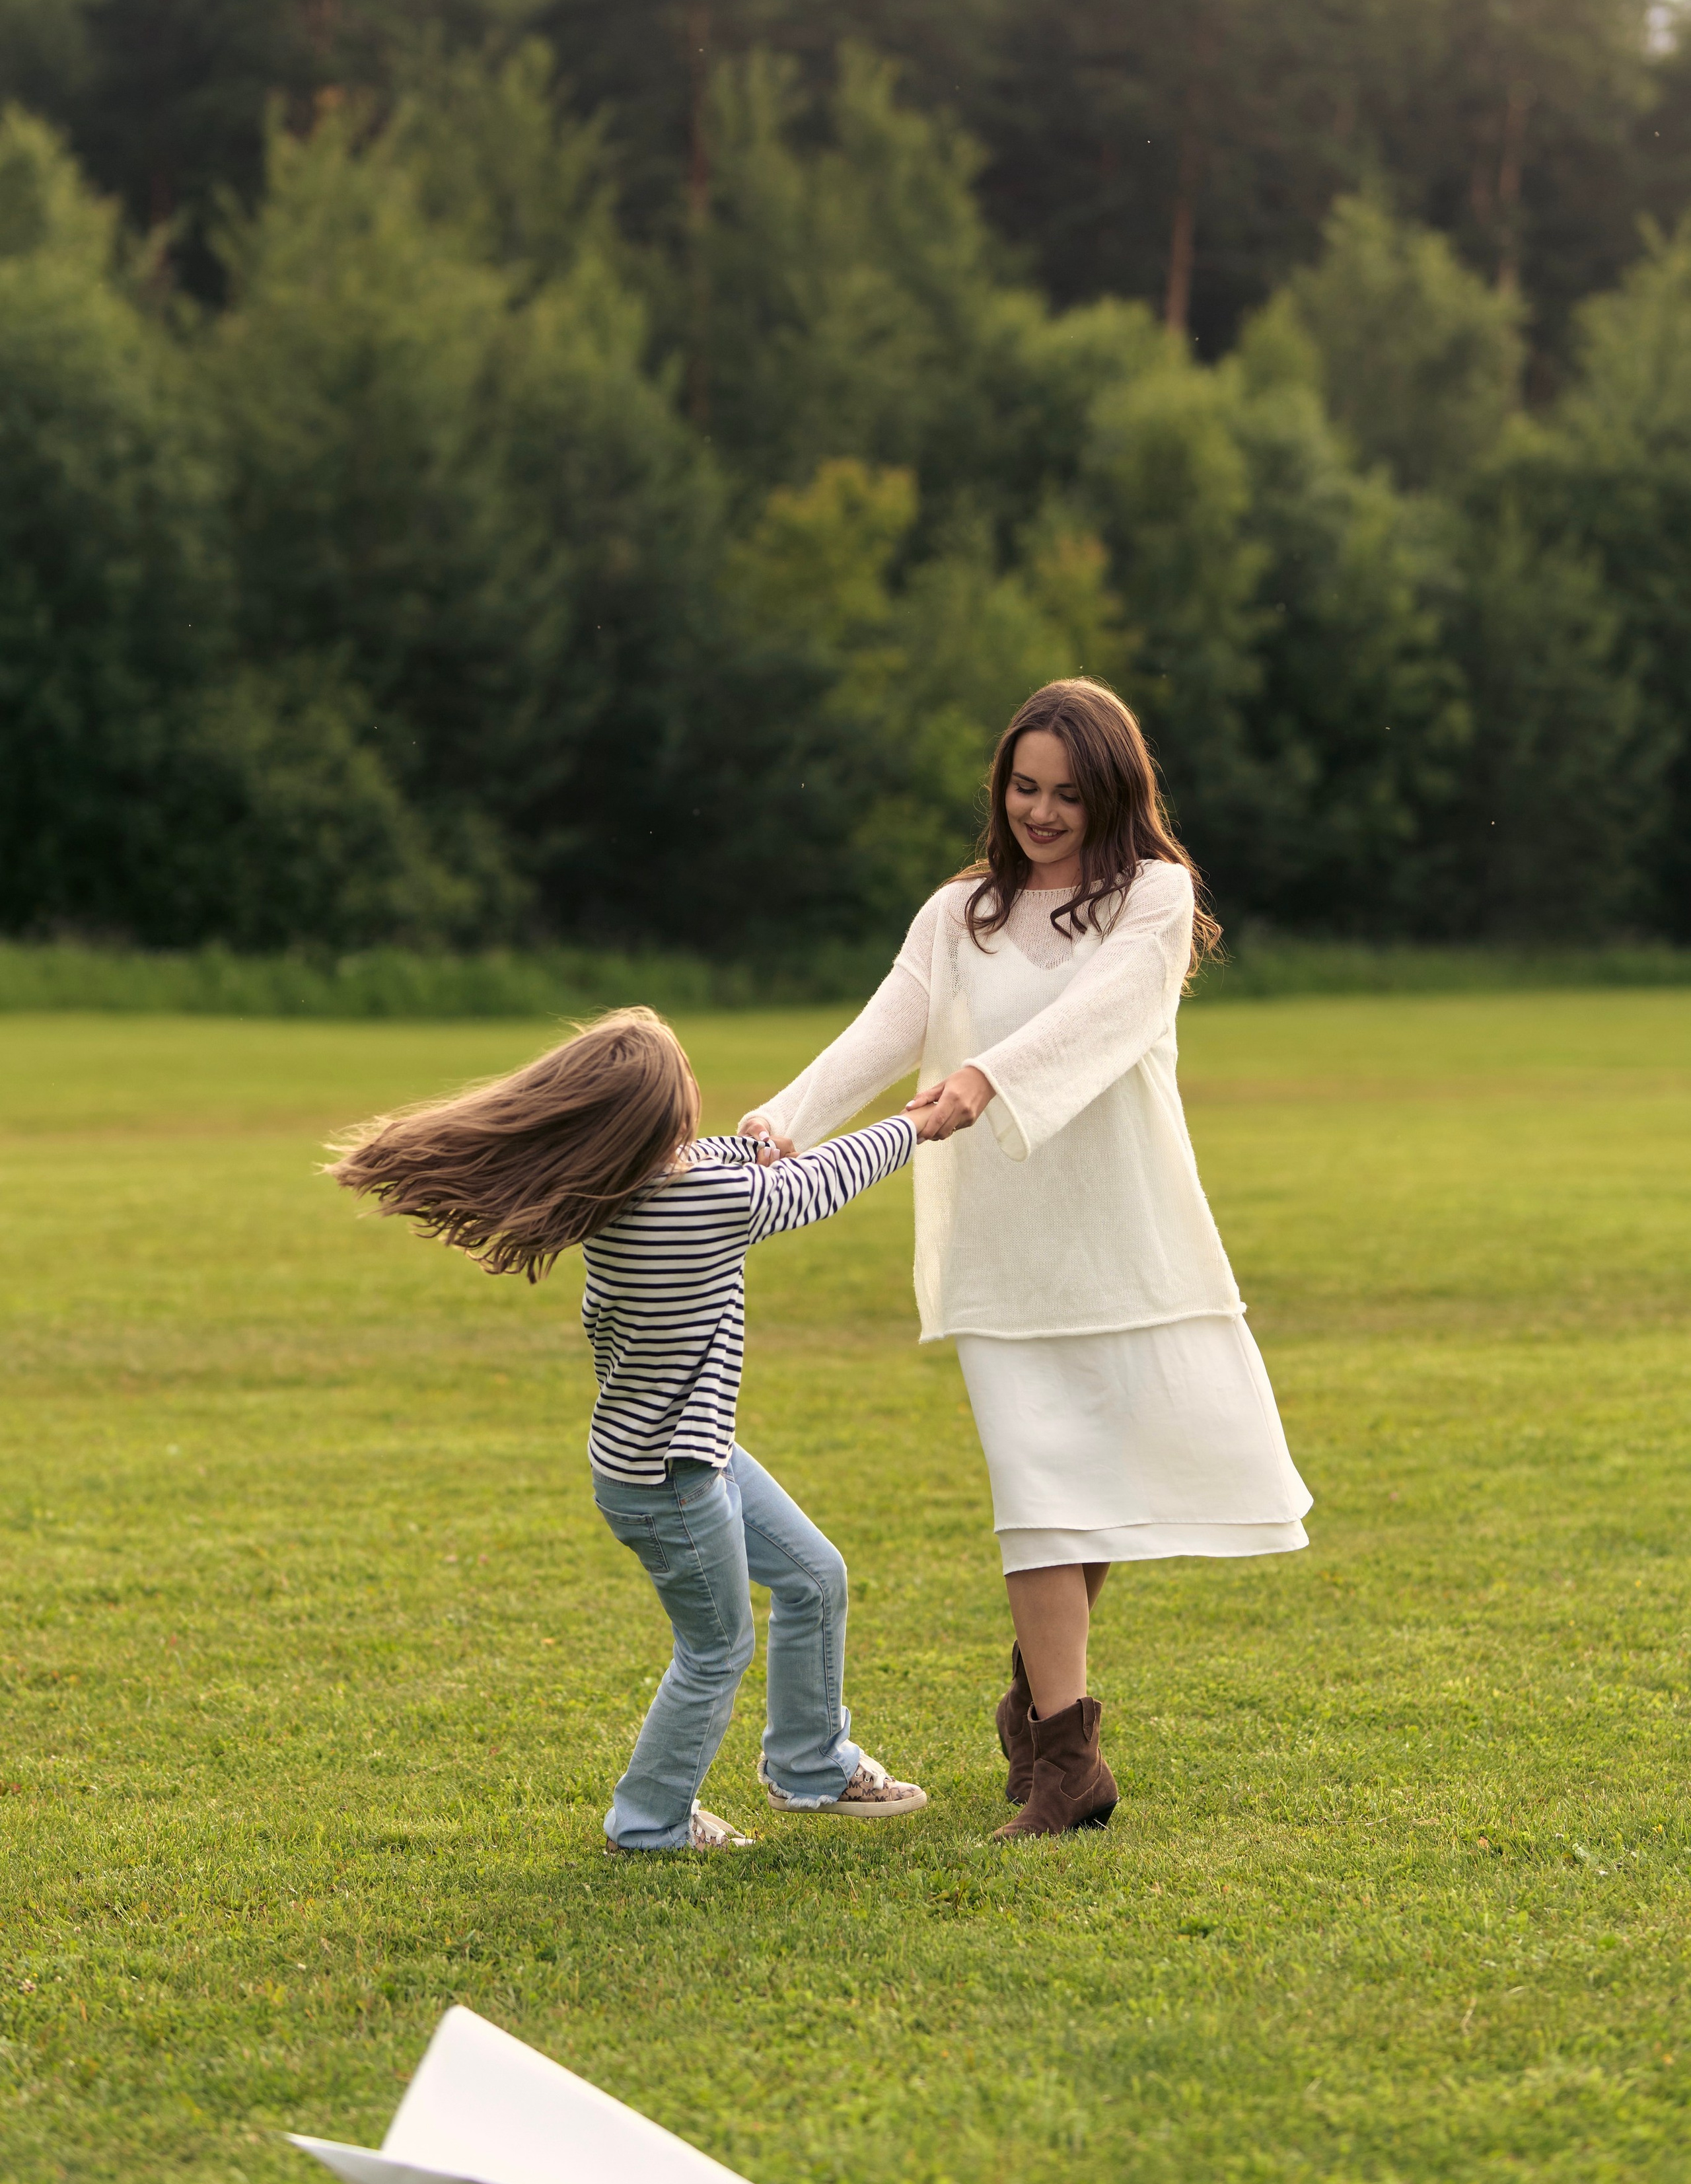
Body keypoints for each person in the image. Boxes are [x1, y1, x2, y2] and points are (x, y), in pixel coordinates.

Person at [740, 679, 1312, 1840]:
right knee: (1042, 1491)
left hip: (1127, 1232)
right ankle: (1069, 1759)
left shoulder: (1154, 896)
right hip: (1003, 1248)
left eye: (1067, 793)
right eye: (1024, 787)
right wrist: (784, 1118)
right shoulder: (961, 913)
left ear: (1114, 794)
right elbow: (888, 1024)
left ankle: (1036, 1703)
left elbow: (1103, 1018)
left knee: (1096, 1482)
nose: (1041, 812)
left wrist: (986, 1078)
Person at [329, 1008, 928, 1854]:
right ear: (659, 1121)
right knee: (716, 1650)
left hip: (678, 1456)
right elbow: (816, 1182)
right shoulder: (706, 1200)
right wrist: (917, 1124)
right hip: (673, 1479)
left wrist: (756, 1137)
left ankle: (812, 1766)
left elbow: (714, 1166)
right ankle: (647, 1824)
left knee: (813, 1578)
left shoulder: (615, 1192)